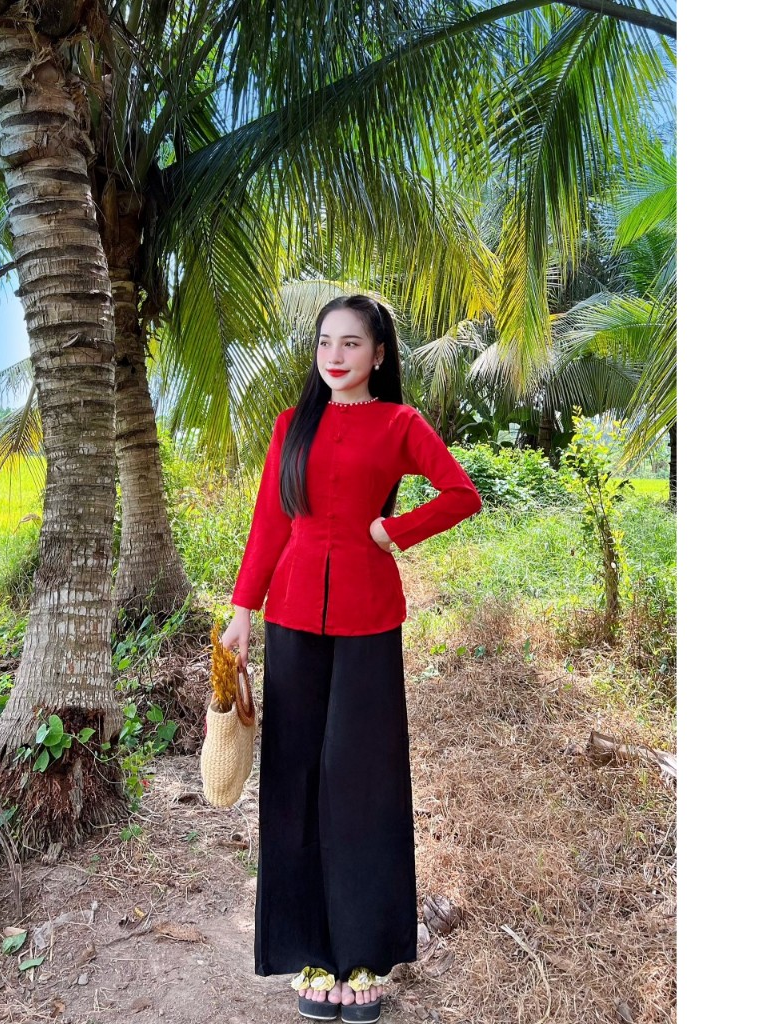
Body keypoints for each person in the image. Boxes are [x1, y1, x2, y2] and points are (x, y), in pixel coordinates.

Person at [221, 294, 482, 1023]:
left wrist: (395, 530)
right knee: (296, 777)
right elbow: (270, 523)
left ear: (379, 354)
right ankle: (311, 952)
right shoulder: (291, 426)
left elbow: (462, 494)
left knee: (361, 779)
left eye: (351, 343)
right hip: (293, 615)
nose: (334, 356)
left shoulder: (401, 423)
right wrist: (243, 611)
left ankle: (363, 956)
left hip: (369, 617)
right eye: (325, 342)